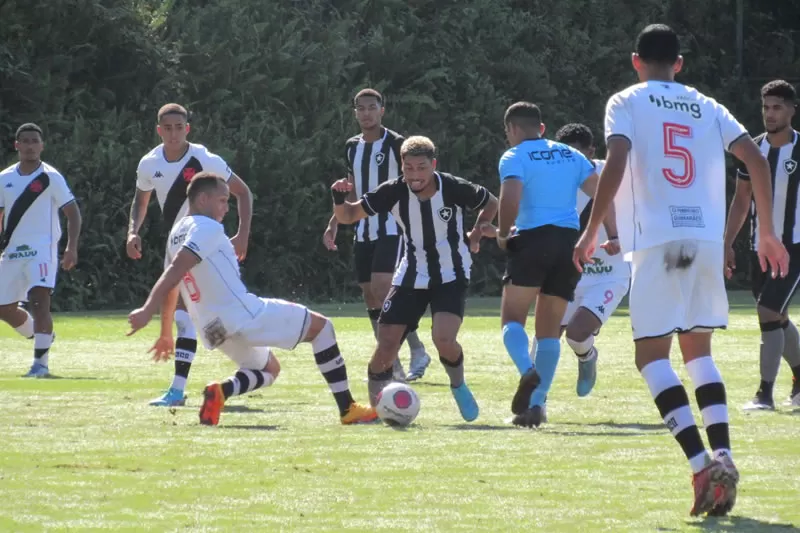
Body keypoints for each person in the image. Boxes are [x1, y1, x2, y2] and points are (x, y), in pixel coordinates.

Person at [574, 24, 789, 516]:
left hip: (659, 239)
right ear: (680, 63)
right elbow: (755, 158)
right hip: (704, 240)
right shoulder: (706, 104)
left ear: (635, 61)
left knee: (650, 357)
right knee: (698, 350)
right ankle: (725, 456)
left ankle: (699, 465)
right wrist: (769, 231)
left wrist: (590, 232)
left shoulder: (626, 100)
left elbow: (618, 157)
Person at [127, 172, 377, 426]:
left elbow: (173, 284)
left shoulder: (176, 233)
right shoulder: (207, 227)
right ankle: (348, 408)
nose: (227, 207)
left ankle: (220, 391)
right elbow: (175, 272)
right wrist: (148, 310)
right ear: (202, 199)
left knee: (269, 369)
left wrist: (166, 331)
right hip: (243, 315)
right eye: (223, 200)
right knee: (323, 328)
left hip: (212, 329)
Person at [330, 136, 498, 422]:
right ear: (402, 167)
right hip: (411, 273)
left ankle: (458, 385)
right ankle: (378, 411)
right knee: (386, 345)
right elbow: (348, 215)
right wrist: (337, 197)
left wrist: (478, 232)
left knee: (443, 338)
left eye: (421, 168)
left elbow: (491, 201)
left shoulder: (454, 187)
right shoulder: (393, 191)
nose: (415, 175)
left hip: (451, 272)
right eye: (409, 168)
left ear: (433, 165)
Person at [126, 103, 253, 407]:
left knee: (194, 313)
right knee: (189, 315)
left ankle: (180, 388)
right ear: (159, 130)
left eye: (178, 127)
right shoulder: (149, 163)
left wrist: (243, 234)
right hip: (178, 244)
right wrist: (132, 231)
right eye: (167, 128)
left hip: (205, 246)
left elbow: (243, 191)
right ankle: (184, 384)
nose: (173, 133)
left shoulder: (204, 158)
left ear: (187, 129)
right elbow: (139, 202)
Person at [496, 104, 613, 429]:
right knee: (549, 331)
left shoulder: (514, 156)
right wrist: (612, 234)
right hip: (567, 245)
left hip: (532, 241)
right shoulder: (571, 156)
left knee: (512, 320)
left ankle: (526, 370)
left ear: (512, 129)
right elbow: (602, 194)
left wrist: (504, 235)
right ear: (542, 127)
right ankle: (534, 409)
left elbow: (510, 198)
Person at [322, 88, 431, 382]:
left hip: (393, 228)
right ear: (355, 112)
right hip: (363, 228)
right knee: (371, 296)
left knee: (385, 289)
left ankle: (417, 349)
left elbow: (418, 180)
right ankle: (391, 363)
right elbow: (354, 188)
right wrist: (335, 221)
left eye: (372, 107)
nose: (366, 113)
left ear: (382, 110)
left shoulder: (398, 144)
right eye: (361, 108)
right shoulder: (352, 146)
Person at [724, 79, 800, 410]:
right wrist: (727, 243)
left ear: (792, 110)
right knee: (776, 316)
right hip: (761, 249)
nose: (770, 114)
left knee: (767, 310)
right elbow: (741, 201)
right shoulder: (752, 151)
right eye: (766, 107)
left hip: (795, 246)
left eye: (777, 107)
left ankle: (764, 394)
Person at [553, 123, 629, 398]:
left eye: (577, 156)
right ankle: (536, 402)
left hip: (609, 271)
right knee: (545, 337)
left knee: (576, 334)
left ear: (591, 151)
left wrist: (617, 236)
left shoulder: (610, 173)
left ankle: (587, 358)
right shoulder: (551, 178)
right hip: (566, 271)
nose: (571, 163)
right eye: (565, 156)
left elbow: (610, 202)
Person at [0, 123, 82, 377]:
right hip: (12, 252)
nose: (29, 146)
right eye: (24, 141)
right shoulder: (5, 179)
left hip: (41, 251)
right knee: (3, 308)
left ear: (42, 145)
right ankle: (40, 334)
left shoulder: (50, 177)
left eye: (34, 141)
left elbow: (73, 213)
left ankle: (40, 365)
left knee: (40, 301)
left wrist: (71, 247)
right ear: (17, 145)